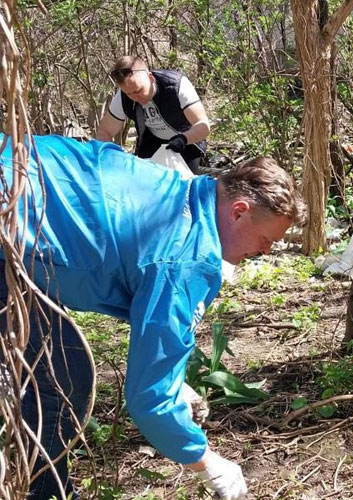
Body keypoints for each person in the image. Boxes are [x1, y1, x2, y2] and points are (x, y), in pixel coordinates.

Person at [0, 134, 307, 500]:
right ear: (239, 210)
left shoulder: (184, 192)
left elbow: (153, 322)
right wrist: (208, 464)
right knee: (61, 383)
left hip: (22, 186)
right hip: (13, 227)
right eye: (265, 238)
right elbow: (149, 398)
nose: (265, 250)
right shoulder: (189, 258)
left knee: (62, 370)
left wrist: (174, 381)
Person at [96, 55, 211, 174]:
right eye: (129, 94)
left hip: (187, 140)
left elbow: (203, 125)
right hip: (152, 141)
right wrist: (108, 156)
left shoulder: (176, 85)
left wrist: (184, 139)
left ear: (150, 78)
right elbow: (105, 132)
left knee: (184, 187)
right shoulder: (123, 96)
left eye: (139, 90)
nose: (135, 98)